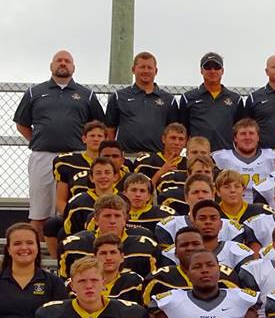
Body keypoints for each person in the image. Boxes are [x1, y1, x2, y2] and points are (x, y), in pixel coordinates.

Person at [13, 50, 106, 236]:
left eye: (67, 61)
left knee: (74, 210)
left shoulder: (87, 95)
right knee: (39, 212)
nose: (63, 63)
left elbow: (98, 127)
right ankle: (39, 251)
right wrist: (40, 140)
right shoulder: (34, 92)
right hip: (43, 156)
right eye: (59, 60)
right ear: (51, 65)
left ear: (73, 67)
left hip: (77, 158)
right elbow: (22, 124)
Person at [59, 194, 159, 279]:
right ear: (96, 220)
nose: (112, 221)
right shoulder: (74, 246)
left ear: (125, 220)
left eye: (117, 216)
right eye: (107, 216)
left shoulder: (146, 248)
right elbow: (66, 286)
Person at [141, 227, 240, 306]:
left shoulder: (226, 276)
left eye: (196, 244)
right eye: (184, 245)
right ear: (175, 252)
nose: (190, 248)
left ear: (204, 248)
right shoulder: (158, 279)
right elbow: (150, 315)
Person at [169, 52, 241, 151]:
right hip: (198, 154)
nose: (212, 71)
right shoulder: (187, 98)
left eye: (217, 67)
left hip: (226, 154)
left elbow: (240, 131)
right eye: (208, 67)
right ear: (201, 71)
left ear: (222, 71)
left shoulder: (236, 99)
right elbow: (182, 131)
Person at [105, 51, 174, 154]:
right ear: (133, 70)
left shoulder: (168, 99)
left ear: (156, 71)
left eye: (149, 68)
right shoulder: (119, 97)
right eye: (142, 67)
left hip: (157, 156)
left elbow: (173, 131)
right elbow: (110, 129)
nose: (146, 71)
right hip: (126, 155)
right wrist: (113, 153)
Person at [161, 200, 254, 275]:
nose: (208, 222)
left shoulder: (237, 252)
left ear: (221, 224)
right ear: (193, 224)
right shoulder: (174, 252)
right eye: (202, 218)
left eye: (213, 218)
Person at [155, 173, 244, 248]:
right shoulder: (169, 226)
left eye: (205, 192)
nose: (201, 196)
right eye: (195, 192)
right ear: (186, 197)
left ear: (213, 195)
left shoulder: (231, 229)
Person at [212, 119, 275, 202]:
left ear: (258, 137)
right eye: (243, 134)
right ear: (235, 138)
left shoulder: (272, 157)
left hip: (265, 206)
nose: (247, 137)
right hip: (232, 205)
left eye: (251, 133)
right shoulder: (221, 157)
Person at [52, 121, 108, 217]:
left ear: (106, 139)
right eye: (92, 136)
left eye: (99, 136)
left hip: (107, 215)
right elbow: (60, 199)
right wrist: (70, 219)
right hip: (77, 213)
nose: (96, 139)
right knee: (52, 224)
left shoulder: (112, 163)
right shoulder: (68, 162)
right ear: (84, 139)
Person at [133, 123, 189, 191]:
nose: (177, 143)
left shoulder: (189, 166)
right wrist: (161, 172)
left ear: (185, 142)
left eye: (181, 139)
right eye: (173, 138)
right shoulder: (146, 162)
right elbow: (140, 192)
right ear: (163, 139)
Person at [94, 234, 145, 304]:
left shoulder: (134, 282)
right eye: (103, 253)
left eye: (113, 252)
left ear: (122, 257)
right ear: (95, 258)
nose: (108, 258)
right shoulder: (85, 282)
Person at [121, 172, 175, 237]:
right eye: (133, 190)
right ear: (125, 194)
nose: (138, 194)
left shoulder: (164, 214)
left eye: (142, 191)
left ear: (149, 196)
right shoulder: (116, 214)